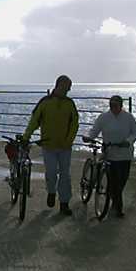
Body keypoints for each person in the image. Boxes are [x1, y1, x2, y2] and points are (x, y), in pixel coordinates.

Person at [22, 75, 79, 216]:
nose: (68, 90)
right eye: (66, 87)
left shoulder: (70, 104)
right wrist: (26, 137)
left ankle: (64, 203)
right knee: (52, 172)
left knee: (65, 175)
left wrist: (69, 141)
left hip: (65, 147)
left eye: (69, 88)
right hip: (48, 146)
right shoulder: (45, 102)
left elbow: (75, 124)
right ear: (59, 85)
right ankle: (51, 191)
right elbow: (34, 121)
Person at [83, 96, 136, 217]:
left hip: (125, 154)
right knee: (115, 181)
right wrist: (89, 137)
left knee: (123, 180)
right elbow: (94, 131)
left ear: (121, 105)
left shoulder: (128, 117)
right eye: (111, 105)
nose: (113, 107)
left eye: (115, 105)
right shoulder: (104, 117)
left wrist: (128, 141)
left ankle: (115, 200)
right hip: (110, 153)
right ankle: (118, 207)